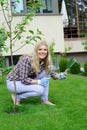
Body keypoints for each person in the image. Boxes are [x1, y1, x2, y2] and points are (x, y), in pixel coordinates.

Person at [6, 40, 67, 106]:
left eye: (45, 50)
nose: (42, 52)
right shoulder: (26, 59)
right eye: (40, 49)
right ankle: (17, 97)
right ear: (36, 50)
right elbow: (24, 79)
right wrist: (39, 82)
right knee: (40, 90)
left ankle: (44, 100)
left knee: (47, 72)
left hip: (26, 80)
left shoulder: (44, 61)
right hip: (13, 82)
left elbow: (52, 74)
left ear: (47, 52)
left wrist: (59, 76)